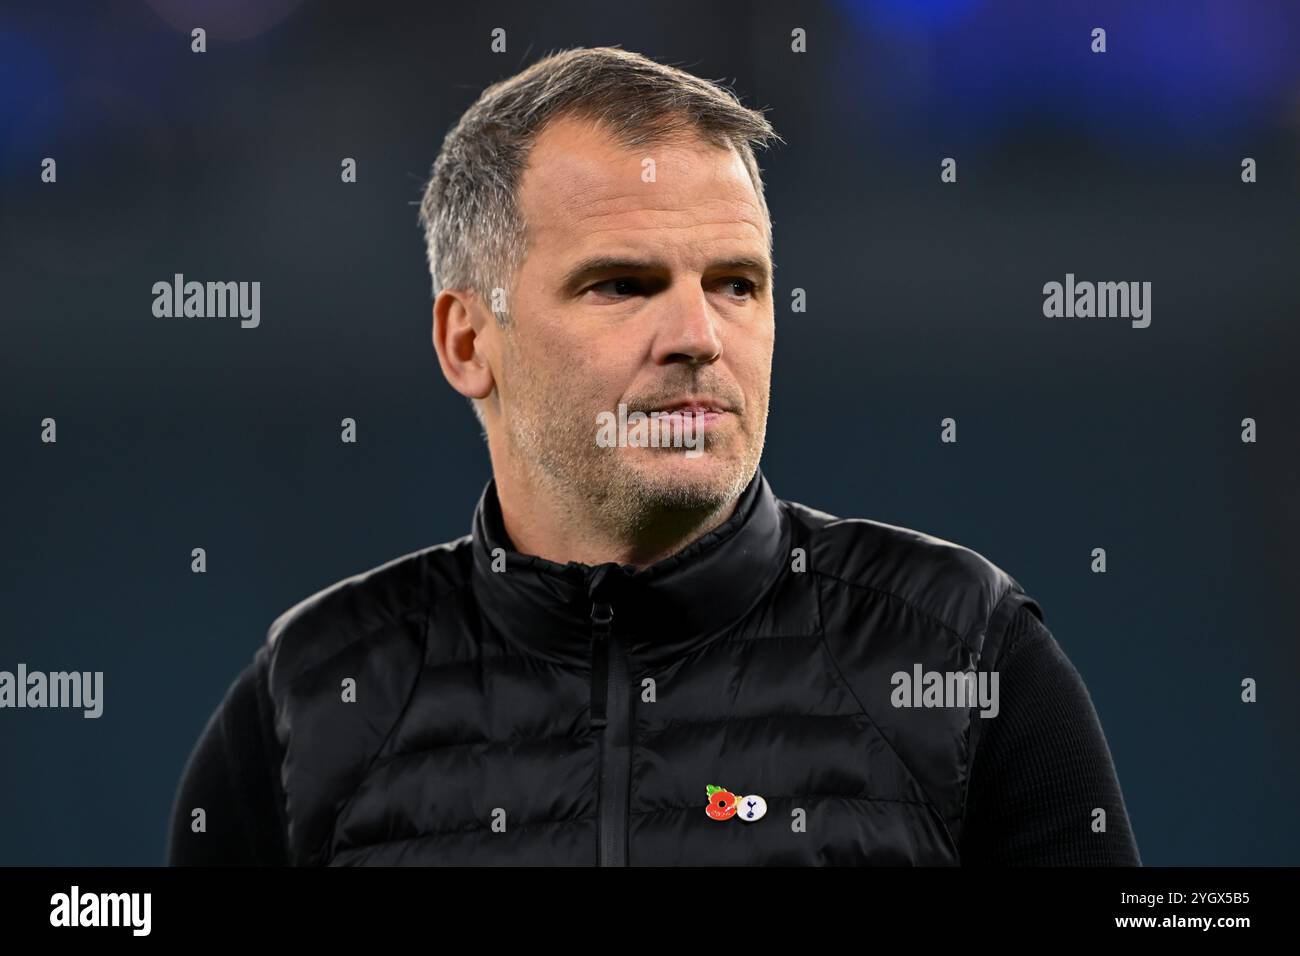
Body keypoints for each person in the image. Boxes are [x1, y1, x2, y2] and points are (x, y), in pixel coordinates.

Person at [168, 45, 1139, 866]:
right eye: (622, 284)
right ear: (468, 341)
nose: (697, 334)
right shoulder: (309, 696)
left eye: (735, 283)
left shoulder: (964, 655)